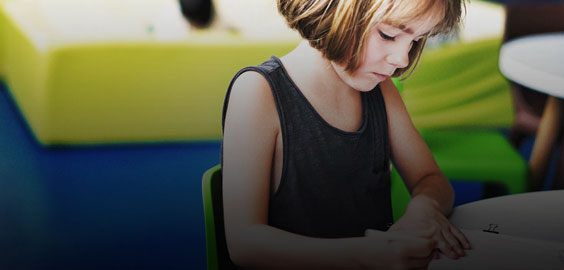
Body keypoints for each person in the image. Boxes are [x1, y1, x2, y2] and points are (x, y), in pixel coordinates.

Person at [221, 0, 471, 268]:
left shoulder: (381, 90)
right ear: (331, 9)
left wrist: (425, 207)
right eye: (389, 35)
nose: (402, 59)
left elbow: (431, 179)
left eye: (416, 40)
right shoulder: (257, 92)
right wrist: (363, 254)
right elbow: (243, 243)